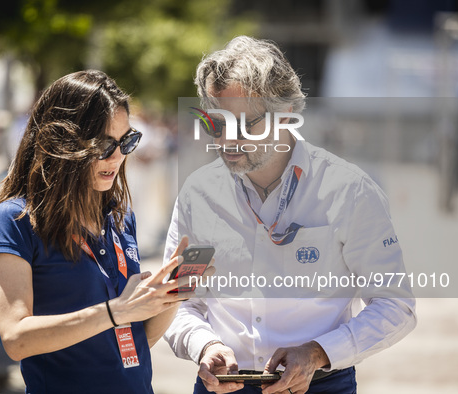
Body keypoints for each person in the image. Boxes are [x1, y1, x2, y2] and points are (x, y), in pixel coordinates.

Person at [163, 36, 417, 394]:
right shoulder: (199, 194)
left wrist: (317, 354)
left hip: (321, 384)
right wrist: (204, 345)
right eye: (216, 122)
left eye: (246, 124)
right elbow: (180, 300)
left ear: (285, 116)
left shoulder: (349, 191)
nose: (228, 139)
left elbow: (395, 305)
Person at [0, 70, 192, 393]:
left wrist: (170, 296)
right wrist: (114, 312)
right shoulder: (15, 219)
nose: (118, 156)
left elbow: (134, 343)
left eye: (127, 141)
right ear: (63, 142)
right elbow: (16, 339)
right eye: (104, 145)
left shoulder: (121, 218)